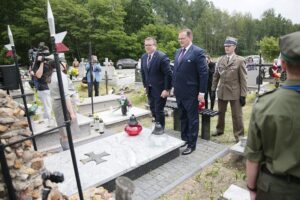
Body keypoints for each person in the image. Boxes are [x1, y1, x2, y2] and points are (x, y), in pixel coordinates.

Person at [245, 31, 300, 200]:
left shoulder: (264, 105)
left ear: (282, 64)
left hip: (274, 189)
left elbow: (253, 156)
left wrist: (251, 187)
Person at [173, 28, 208, 155]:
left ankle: (192, 145)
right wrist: (173, 86)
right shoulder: (178, 52)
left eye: (182, 38)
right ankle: (185, 139)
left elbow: (203, 74)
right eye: (179, 38)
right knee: (183, 117)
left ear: (190, 38)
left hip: (192, 93)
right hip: (179, 92)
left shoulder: (198, 52)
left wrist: (202, 93)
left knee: (192, 119)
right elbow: (176, 71)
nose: (180, 41)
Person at [211, 36, 247, 142]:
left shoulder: (240, 60)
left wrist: (243, 95)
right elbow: (216, 75)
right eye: (225, 46)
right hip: (222, 91)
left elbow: (244, 79)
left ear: (234, 47)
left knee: (237, 115)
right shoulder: (221, 59)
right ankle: (219, 129)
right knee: (220, 112)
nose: (226, 48)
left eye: (229, 46)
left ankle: (239, 135)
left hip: (235, 92)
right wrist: (213, 89)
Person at [47, 60, 79, 150]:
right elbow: (65, 96)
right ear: (58, 64)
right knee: (66, 132)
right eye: (62, 62)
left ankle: (66, 150)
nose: (65, 63)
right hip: (63, 104)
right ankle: (68, 152)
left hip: (56, 103)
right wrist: (72, 113)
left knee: (62, 131)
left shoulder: (51, 75)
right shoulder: (60, 75)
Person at [141, 37, 172, 129]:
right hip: (149, 89)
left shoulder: (162, 57)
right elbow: (143, 72)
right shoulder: (144, 57)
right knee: (152, 109)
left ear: (155, 45)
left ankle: (160, 129)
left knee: (159, 110)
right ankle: (157, 125)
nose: (147, 47)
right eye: (146, 45)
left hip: (160, 90)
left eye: (150, 45)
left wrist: (167, 89)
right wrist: (145, 86)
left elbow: (168, 74)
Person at [32, 45, 55, 127]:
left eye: (46, 54)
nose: (45, 56)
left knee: (52, 105)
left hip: (52, 86)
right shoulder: (36, 63)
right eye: (43, 54)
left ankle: (50, 119)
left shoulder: (49, 60)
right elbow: (38, 75)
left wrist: (47, 60)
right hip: (43, 87)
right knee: (47, 106)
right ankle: (50, 121)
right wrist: (41, 63)